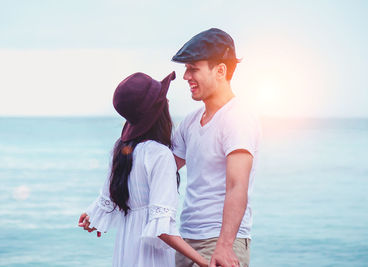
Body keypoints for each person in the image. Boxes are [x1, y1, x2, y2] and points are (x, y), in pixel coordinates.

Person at [78, 72, 208, 267]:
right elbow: (162, 229)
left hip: (126, 250)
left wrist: (92, 217)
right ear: (158, 110)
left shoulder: (122, 151)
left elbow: (107, 201)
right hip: (149, 257)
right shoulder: (160, 155)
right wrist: (204, 262)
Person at [171, 28, 262, 267]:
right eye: (185, 69)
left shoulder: (237, 118)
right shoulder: (190, 122)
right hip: (186, 238)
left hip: (219, 243)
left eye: (193, 69)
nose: (186, 76)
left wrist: (224, 245)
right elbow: (163, 168)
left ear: (220, 70)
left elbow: (236, 185)